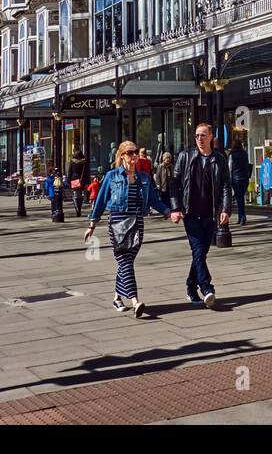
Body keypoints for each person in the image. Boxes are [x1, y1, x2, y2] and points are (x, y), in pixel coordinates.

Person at [84, 141, 170, 318]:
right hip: (117, 222)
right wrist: (92, 224)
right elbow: (100, 201)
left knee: (126, 262)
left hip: (137, 222)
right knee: (125, 261)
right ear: (122, 155)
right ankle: (135, 301)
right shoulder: (111, 176)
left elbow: (154, 200)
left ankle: (117, 297)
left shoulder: (144, 178)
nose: (134, 156)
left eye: (136, 152)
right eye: (130, 153)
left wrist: (169, 212)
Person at [169, 124, 233, 308]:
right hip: (190, 213)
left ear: (211, 136)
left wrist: (225, 210)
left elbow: (226, 186)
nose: (199, 139)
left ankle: (190, 287)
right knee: (198, 251)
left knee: (201, 253)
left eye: (203, 135)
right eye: (197, 135)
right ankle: (207, 288)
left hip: (210, 214)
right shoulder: (185, 156)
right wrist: (175, 208)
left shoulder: (219, 160)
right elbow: (174, 184)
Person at [228, 131, 250, 225]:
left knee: (239, 198)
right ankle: (242, 216)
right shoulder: (244, 153)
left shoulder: (232, 155)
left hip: (236, 179)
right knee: (241, 198)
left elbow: (229, 168)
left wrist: (228, 180)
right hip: (244, 178)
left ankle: (242, 217)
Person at [67, 149, 90, 217]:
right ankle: (79, 207)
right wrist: (87, 181)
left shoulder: (72, 162)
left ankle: (77, 209)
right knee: (80, 195)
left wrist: (68, 181)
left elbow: (70, 172)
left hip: (74, 179)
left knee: (75, 195)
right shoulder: (84, 162)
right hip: (82, 180)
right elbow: (86, 172)